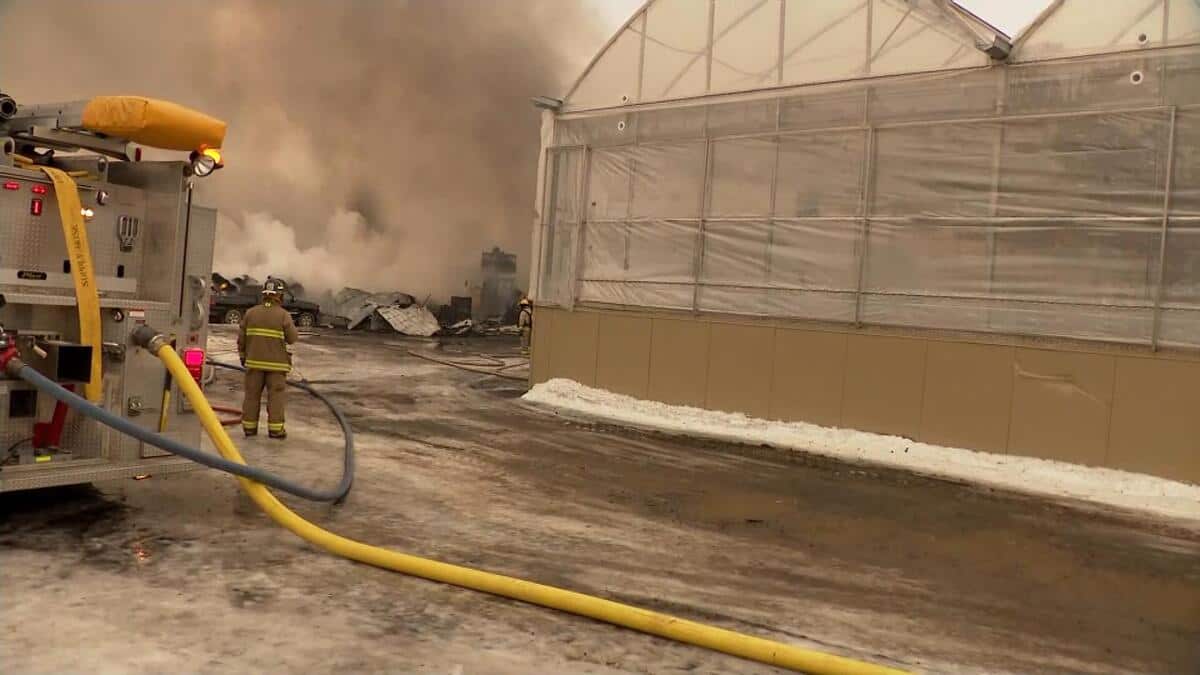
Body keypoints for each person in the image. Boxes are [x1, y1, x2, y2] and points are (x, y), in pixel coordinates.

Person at [238, 279, 299, 439]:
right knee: (276, 397)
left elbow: (241, 339)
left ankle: (249, 429)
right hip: (277, 366)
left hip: (253, 364)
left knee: (251, 396)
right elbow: (292, 338)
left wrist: (243, 356)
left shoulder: (250, 313)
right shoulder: (283, 315)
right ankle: (275, 430)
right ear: (279, 295)